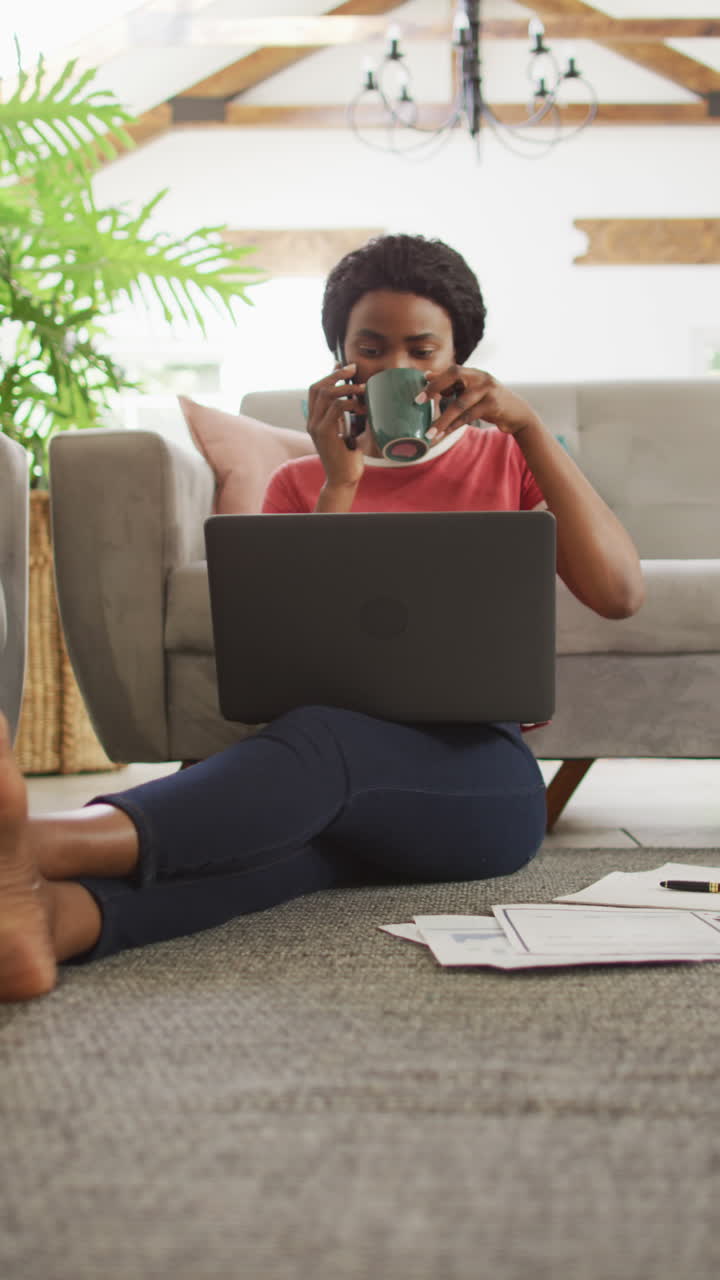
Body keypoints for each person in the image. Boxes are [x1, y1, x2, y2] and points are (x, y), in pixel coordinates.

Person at [0, 234, 645, 1003]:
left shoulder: (506, 461)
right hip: (319, 767)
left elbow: (618, 592)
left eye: (420, 349)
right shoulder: (299, 483)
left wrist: (530, 429)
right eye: (369, 348)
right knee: (292, 842)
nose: (393, 368)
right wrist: (339, 482)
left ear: (457, 360)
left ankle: (37, 844)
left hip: (481, 778)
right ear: (340, 358)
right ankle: (51, 924)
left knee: (317, 753)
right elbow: (293, 659)